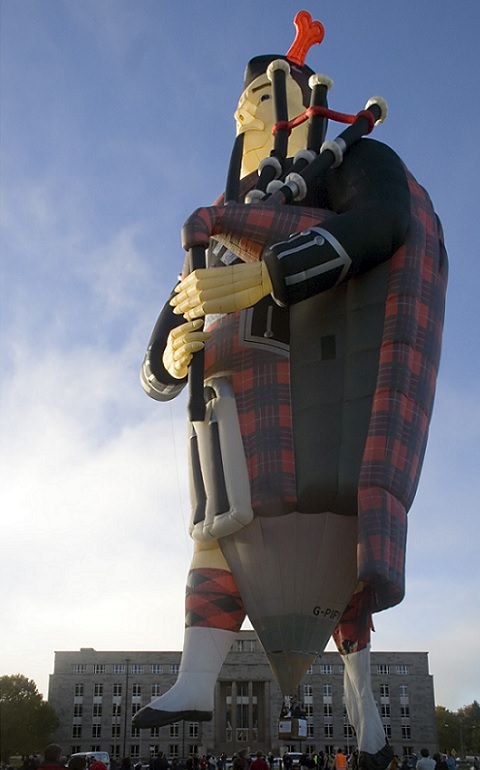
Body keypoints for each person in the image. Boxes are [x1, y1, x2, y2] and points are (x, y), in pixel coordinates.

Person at [134, 11, 447, 770]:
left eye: (262, 100)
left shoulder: (353, 166)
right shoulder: (211, 232)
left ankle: (364, 707)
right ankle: (196, 679)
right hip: (237, 413)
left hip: (326, 390)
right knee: (219, 533)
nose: (245, 114)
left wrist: (266, 274)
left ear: (300, 104)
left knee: (337, 530)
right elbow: (154, 365)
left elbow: (383, 224)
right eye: (241, 106)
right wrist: (174, 360)